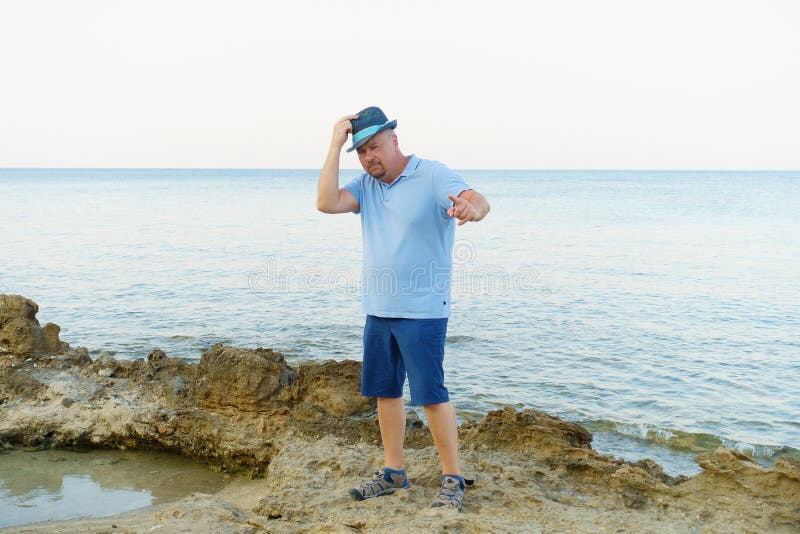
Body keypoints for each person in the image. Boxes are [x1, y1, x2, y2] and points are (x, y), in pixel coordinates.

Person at [316, 106, 490, 512]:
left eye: (375, 147)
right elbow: (325, 202)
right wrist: (335, 144)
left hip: (423, 310)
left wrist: (470, 209)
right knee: (386, 392)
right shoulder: (366, 186)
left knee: (431, 395)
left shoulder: (432, 174)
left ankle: (452, 478)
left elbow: (476, 200)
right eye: (362, 152)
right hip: (378, 308)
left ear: (394, 139)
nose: (369, 157)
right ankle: (394, 472)